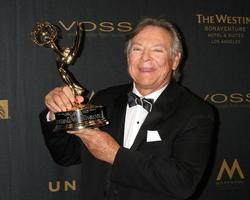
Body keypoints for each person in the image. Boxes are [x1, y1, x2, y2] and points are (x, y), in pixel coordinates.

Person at [40, 17, 215, 200]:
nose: (145, 57)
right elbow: (67, 155)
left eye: (157, 50)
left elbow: (182, 183)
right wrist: (56, 112)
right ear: (128, 57)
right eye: (137, 49)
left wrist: (114, 154)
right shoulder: (104, 99)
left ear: (175, 60)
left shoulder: (195, 113)